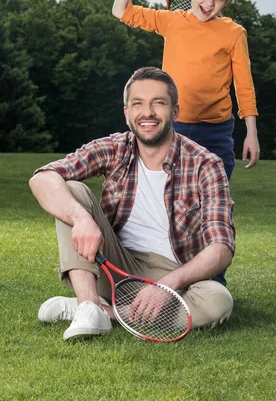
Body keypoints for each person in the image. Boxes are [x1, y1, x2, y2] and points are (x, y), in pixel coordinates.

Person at [29, 67, 235, 341]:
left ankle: (102, 311)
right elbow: (43, 178)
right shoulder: (115, 148)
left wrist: (167, 286)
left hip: (174, 274)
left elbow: (221, 248)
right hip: (114, 264)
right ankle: (89, 304)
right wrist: (81, 219)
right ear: (127, 113)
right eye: (138, 104)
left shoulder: (205, 164)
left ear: (175, 112)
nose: (147, 113)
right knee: (71, 190)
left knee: (218, 300)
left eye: (158, 103)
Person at [112, 0, 260, 180]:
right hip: (174, 127)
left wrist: (251, 132)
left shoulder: (234, 33)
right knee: (173, 197)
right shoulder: (171, 22)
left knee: (214, 199)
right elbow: (120, 10)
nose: (210, 3)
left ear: (227, 1)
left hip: (217, 131)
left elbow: (244, 85)